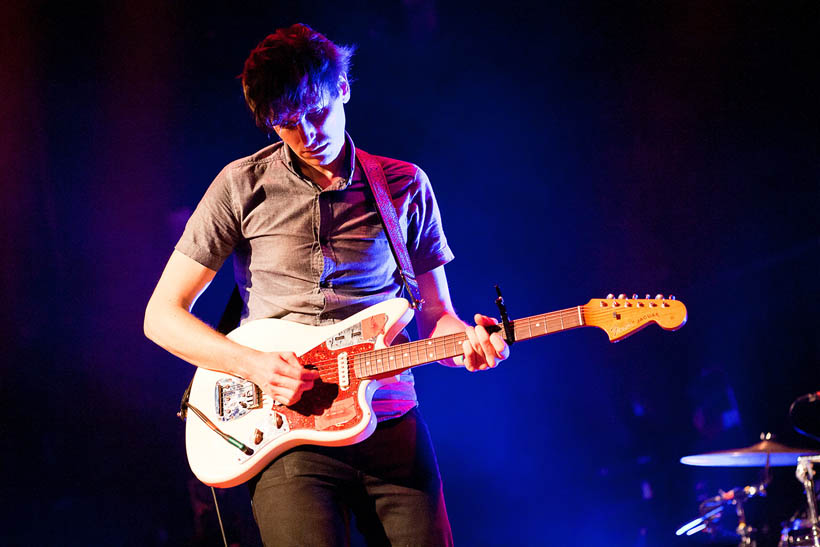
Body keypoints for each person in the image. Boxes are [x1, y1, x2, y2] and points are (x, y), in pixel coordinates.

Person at [144, 23, 509, 545]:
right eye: (288, 124)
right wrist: (253, 365)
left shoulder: (405, 185)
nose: (308, 135)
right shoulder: (240, 184)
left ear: (344, 89)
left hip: (391, 428)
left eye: (316, 113)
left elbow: (434, 315)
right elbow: (161, 316)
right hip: (287, 439)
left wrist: (465, 346)